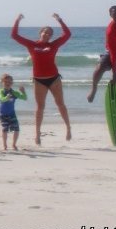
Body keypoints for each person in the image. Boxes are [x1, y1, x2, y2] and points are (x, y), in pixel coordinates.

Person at [11, 13, 72, 144]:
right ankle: (37, 134)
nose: (47, 34)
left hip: (54, 79)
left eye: (49, 33)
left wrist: (60, 20)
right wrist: (17, 20)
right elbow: (14, 36)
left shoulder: (54, 45)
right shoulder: (32, 45)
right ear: (40, 33)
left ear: (51, 36)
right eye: (45, 32)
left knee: (60, 104)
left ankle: (68, 128)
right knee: (40, 107)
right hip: (39, 80)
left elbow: (67, 34)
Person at [0, 73, 27, 151]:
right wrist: (6, 97)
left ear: (12, 83)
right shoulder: (1, 91)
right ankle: (5, 145)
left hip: (12, 114)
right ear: (2, 82)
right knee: (5, 129)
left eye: (10, 82)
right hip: (3, 114)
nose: (8, 83)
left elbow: (24, 98)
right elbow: (2, 99)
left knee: (17, 129)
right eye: (6, 82)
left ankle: (14, 144)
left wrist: (23, 92)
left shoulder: (14, 93)